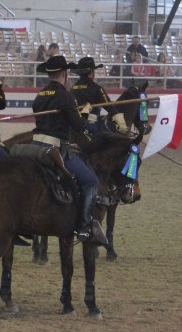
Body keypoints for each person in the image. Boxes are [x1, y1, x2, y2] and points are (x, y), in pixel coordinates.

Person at [31, 54, 108, 245]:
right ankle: (84, 226)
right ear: (64, 74)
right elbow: (78, 126)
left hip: (36, 146)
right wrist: (84, 113)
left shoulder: (39, 96)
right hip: (56, 149)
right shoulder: (66, 97)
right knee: (91, 181)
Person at [70, 56, 127, 136]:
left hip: (74, 124)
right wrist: (120, 121)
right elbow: (109, 106)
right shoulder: (96, 89)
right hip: (92, 124)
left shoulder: (72, 89)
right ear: (91, 74)